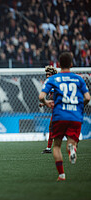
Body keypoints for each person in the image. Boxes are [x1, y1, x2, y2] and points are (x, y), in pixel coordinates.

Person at [39, 52, 90, 181]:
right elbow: (88, 98)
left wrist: (46, 102)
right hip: (74, 115)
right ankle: (71, 148)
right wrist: (78, 105)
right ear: (72, 64)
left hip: (59, 115)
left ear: (59, 64)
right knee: (72, 142)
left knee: (56, 146)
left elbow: (41, 96)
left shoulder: (53, 79)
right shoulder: (79, 79)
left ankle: (61, 175)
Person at [40, 65, 58, 154]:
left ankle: (49, 147)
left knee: (54, 127)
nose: (47, 76)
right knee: (53, 127)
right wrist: (44, 103)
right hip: (56, 109)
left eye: (49, 74)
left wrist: (45, 102)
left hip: (60, 109)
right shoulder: (52, 84)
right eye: (46, 74)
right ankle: (49, 148)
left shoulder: (55, 84)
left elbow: (55, 99)